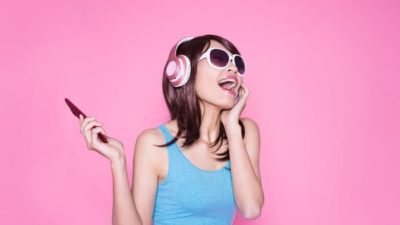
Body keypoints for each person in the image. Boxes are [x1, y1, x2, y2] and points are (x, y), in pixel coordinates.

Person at [79, 34, 264, 225]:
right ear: (183, 72)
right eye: (218, 58)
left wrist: (232, 127)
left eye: (237, 63)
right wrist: (117, 162)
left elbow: (251, 208)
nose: (233, 68)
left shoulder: (244, 132)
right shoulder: (154, 143)